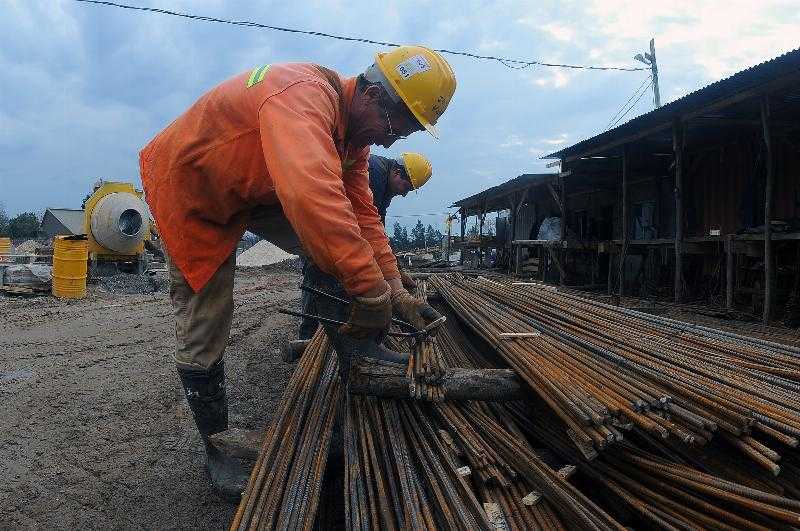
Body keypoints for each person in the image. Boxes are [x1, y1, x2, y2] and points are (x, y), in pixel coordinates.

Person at [138, 46, 456, 498]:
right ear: (371, 96)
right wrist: (368, 294)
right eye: (396, 126)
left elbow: (362, 216)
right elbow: (313, 200)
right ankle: (218, 451)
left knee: (334, 243)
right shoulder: (302, 98)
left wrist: (394, 288)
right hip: (194, 187)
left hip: (253, 183)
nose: (391, 142)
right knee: (205, 319)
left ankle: (359, 359)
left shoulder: (353, 140)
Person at [294, 152, 432, 344]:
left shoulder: (385, 186)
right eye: (406, 187)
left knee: (330, 281)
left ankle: (325, 336)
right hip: (322, 226)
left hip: (334, 229)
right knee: (319, 277)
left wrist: (395, 272)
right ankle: (307, 338)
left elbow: (377, 230)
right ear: (397, 173)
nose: (404, 193)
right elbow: (360, 223)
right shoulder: (373, 171)